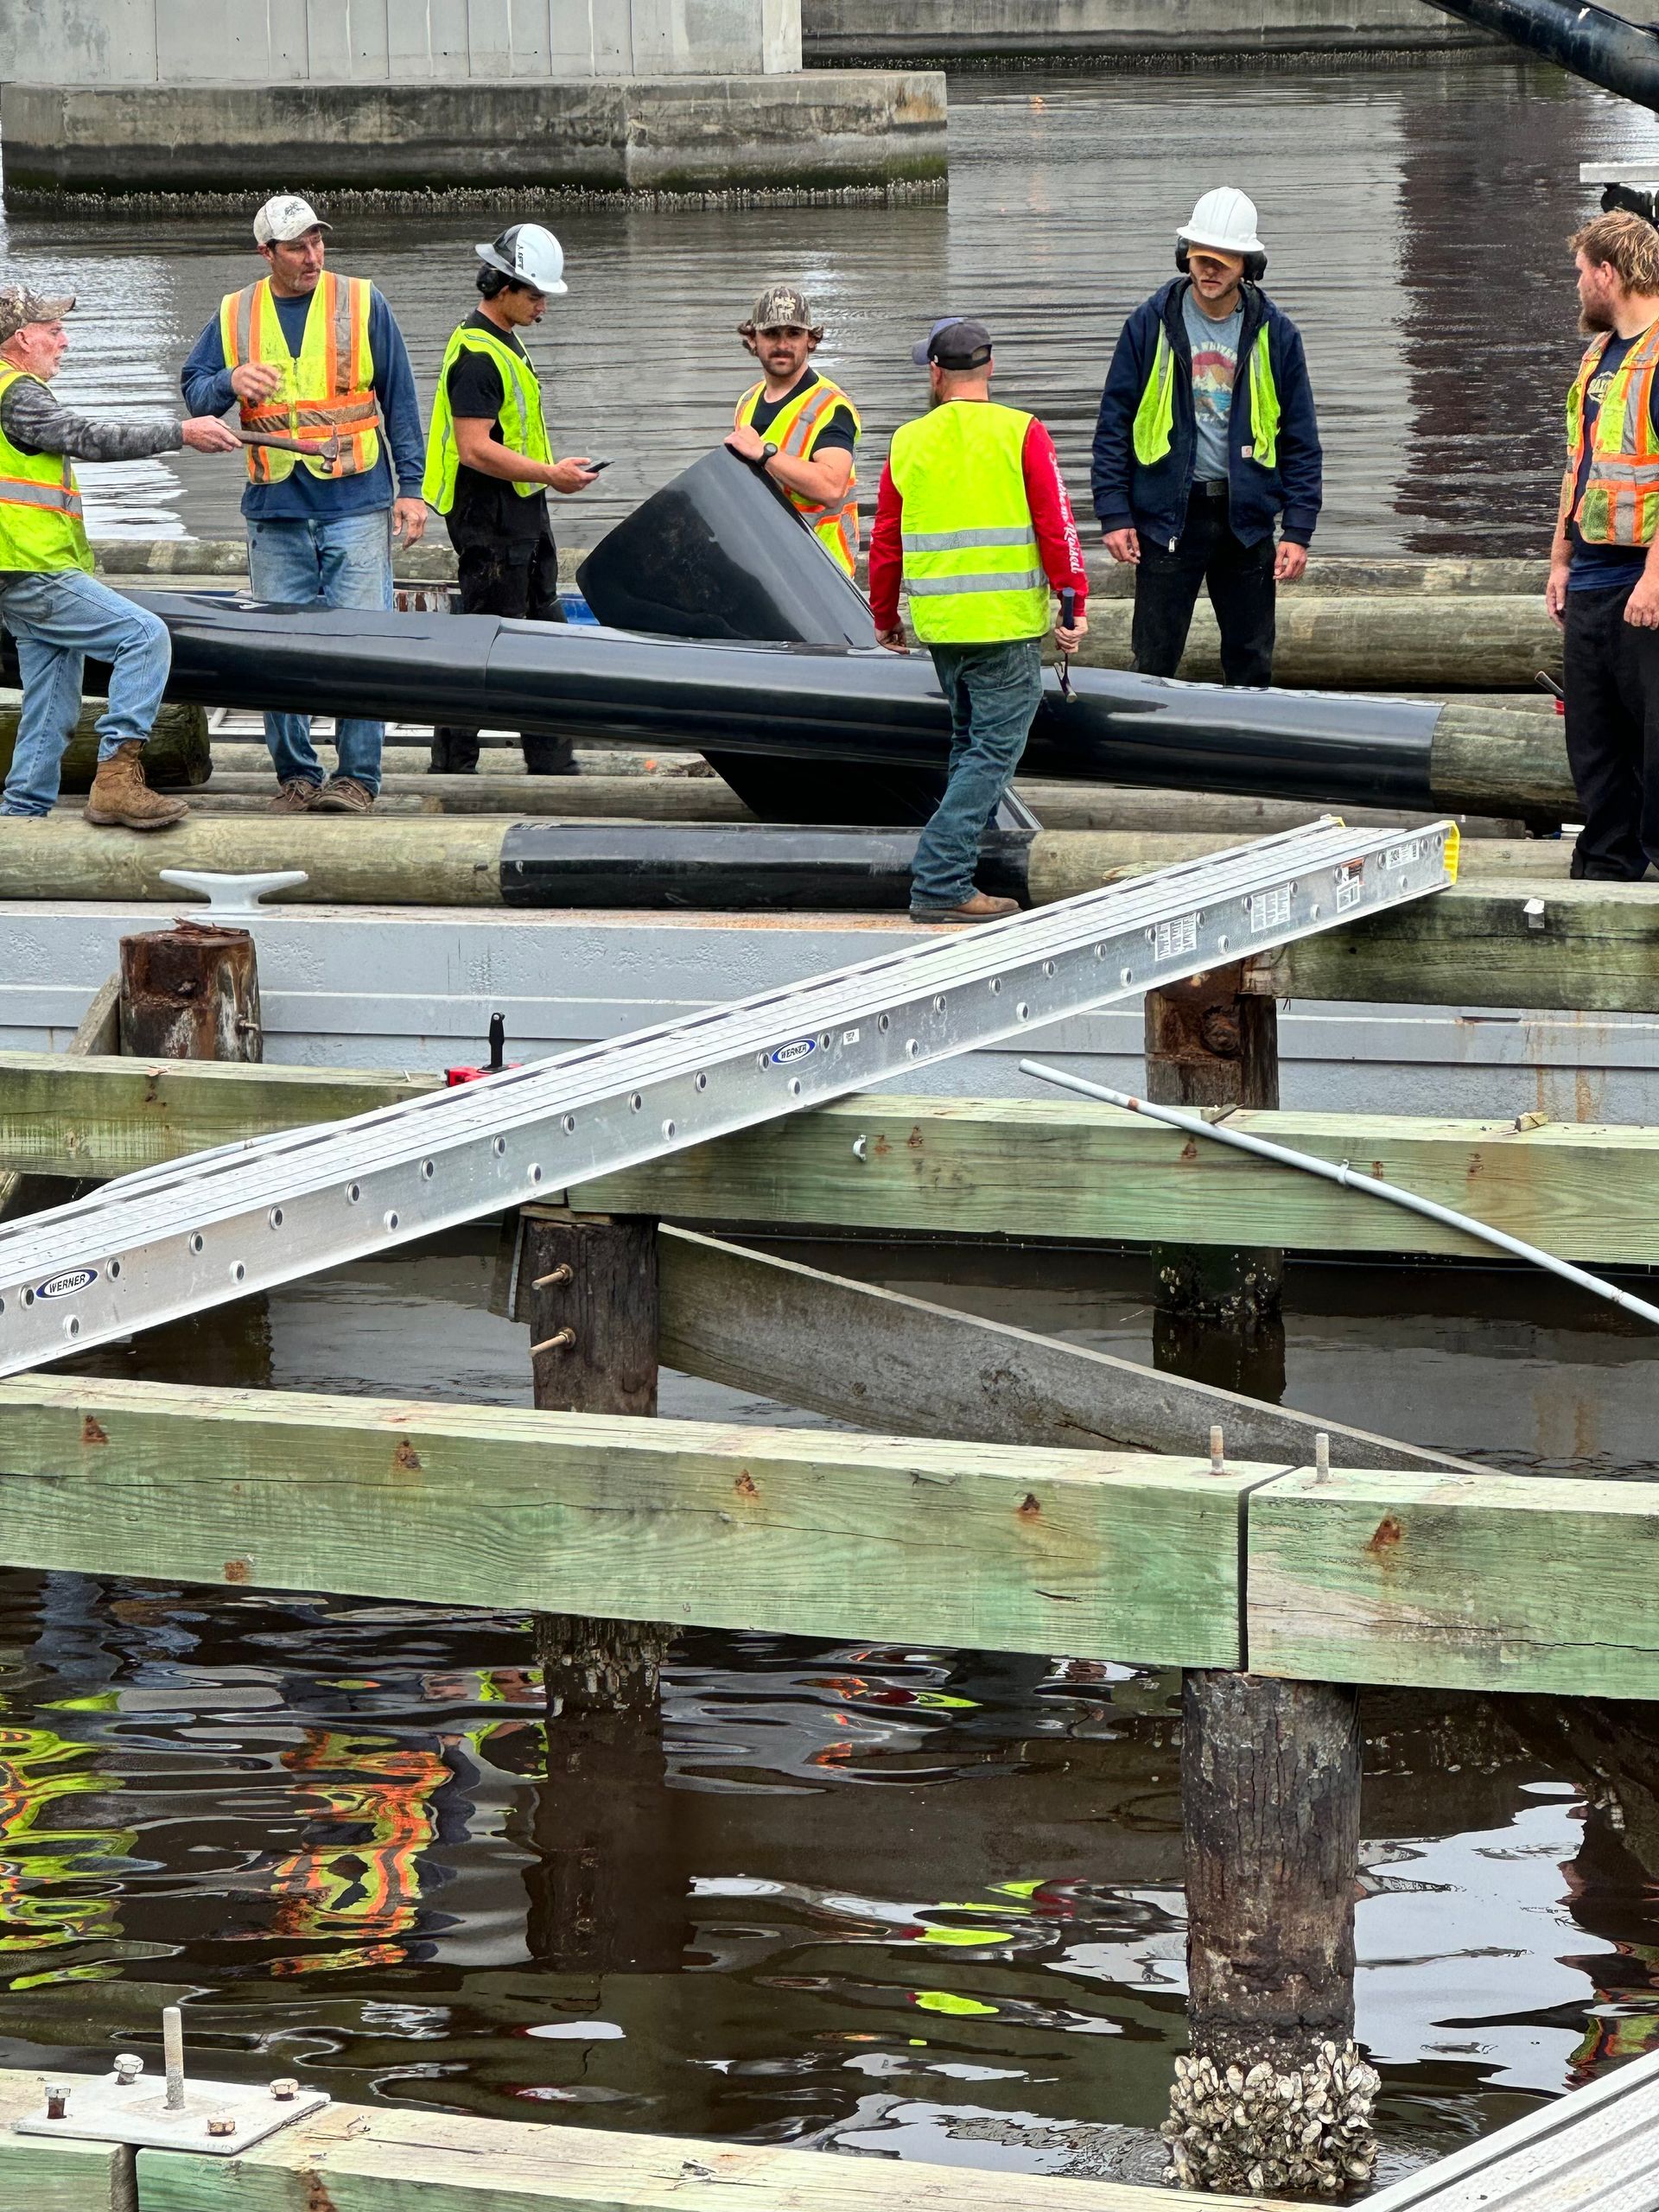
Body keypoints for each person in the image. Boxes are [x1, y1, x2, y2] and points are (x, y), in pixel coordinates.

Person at [181, 193, 428, 814]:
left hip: (356, 498)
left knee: (361, 642)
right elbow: (195, 393)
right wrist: (228, 382)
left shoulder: (362, 300)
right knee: (275, 651)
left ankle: (358, 778)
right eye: (297, 247)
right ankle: (296, 774)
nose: (313, 255)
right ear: (267, 253)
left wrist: (413, 490)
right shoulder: (235, 313)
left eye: (318, 241)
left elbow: (400, 400)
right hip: (276, 507)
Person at [869, 317, 1088, 925]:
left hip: (942, 628)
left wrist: (885, 615)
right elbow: (1057, 526)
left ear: (936, 374)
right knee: (991, 754)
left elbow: (885, 541)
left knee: (969, 748)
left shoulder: (906, 441)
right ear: (989, 368)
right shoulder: (1022, 432)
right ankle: (942, 876)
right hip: (1005, 624)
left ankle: (972, 863)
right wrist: (1073, 605)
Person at [0, 285, 240, 829]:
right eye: (53, 331)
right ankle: (115, 779)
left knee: (52, 701)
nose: (64, 341)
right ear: (21, 338)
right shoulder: (18, 393)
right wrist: (179, 432)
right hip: (31, 569)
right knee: (143, 636)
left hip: (21, 569)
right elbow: (86, 437)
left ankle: (19, 816)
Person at [1091, 188, 1322, 688]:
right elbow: (1113, 426)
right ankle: (1147, 752)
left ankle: (1248, 751)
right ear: (1185, 257)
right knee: (1153, 658)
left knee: (1251, 660)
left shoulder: (1276, 334)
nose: (1209, 270)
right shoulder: (1147, 325)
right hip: (1168, 519)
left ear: (1247, 264)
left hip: (1246, 523)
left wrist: (1298, 529)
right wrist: (1114, 514)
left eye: (1222, 260)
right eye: (1200, 258)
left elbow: (1300, 439)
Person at [422, 224, 598, 776]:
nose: (544, 304)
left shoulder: (500, 338)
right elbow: (475, 449)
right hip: (488, 515)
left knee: (542, 628)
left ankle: (550, 758)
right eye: (536, 294)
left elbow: (508, 435)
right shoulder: (476, 356)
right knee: (488, 640)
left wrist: (549, 475)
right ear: (504, 288)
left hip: (519, 508)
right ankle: (454, 765)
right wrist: (550, 472)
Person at [1547, 209, 1659, 880]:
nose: (1578, 286)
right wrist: (1559, 559)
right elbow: (1578, 466)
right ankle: (1607, 858)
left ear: (1607, 274)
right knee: (1593, 734)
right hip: (1590, 572)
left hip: (1641, 580)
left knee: (1652, 733)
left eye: (1582, 273)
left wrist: (1654, 578)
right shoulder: (1597, 357)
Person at [725, 283, 861, 575]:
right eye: (772, 334)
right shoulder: (746, 402)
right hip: (769, 571)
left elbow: (831, 487)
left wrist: (765, 453)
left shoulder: (831, 407)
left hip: (824, 575)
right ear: (752, 340)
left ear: (811, 340)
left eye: (794, 334)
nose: (783, 345)